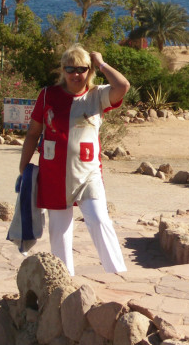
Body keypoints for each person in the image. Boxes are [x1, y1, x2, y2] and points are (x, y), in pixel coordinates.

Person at [19, 44, 131, 276]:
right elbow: (33, 132)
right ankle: (64, 280)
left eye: (82, 69)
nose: (76, 74)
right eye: (70, 69)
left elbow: (123, 86)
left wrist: (101, 63)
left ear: (90, 71)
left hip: (88, 173)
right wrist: (24, 167)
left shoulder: (97, 95)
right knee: (59, 231)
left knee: (99, 220)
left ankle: (117, 274)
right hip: (54, 173)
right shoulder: (48, 95)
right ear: (63, 70)